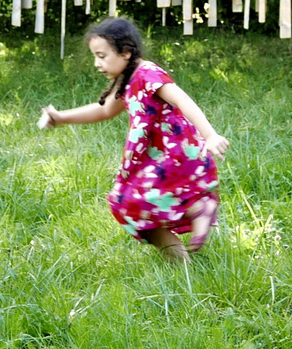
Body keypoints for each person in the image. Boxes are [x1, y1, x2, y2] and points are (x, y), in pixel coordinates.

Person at [38, 17, 229, 262]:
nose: (97, 63)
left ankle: (198, 211)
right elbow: (105, 110)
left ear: (126, 52)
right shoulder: (127, 79)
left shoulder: (148, 74)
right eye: (95, 56)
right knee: (127, 205)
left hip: (175, 153)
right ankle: (181, 259)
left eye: (102, 56)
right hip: (159, 156)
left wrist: (210, 135)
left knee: (128, 201)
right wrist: (61, 117)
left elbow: (183, 99)